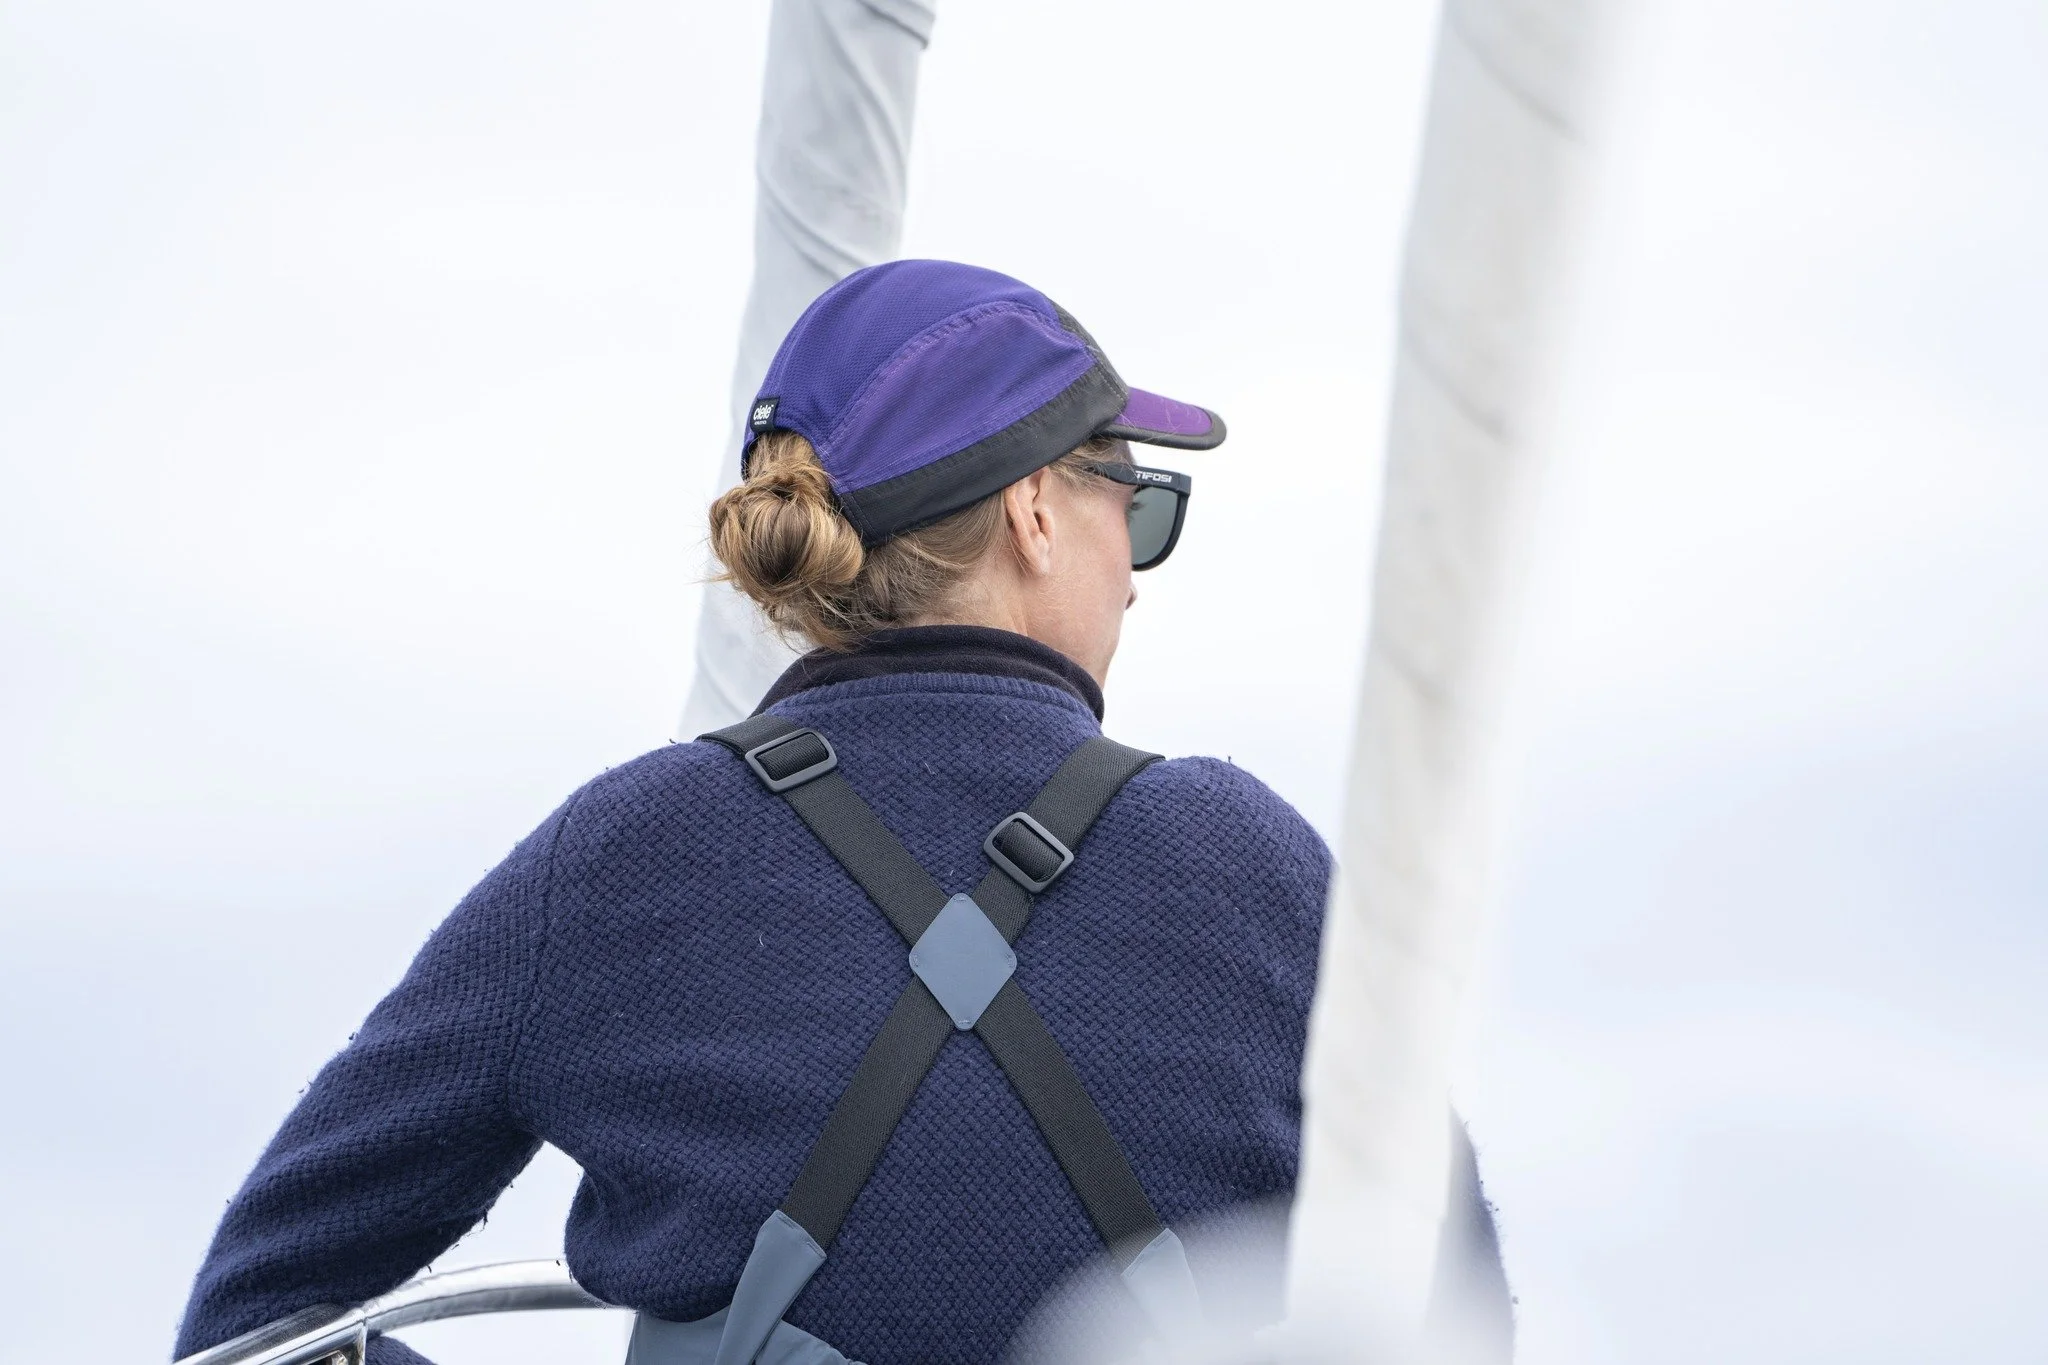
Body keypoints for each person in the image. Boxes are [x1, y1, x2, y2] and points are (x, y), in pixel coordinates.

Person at [173, 260, 1508, 1365]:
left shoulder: (623, 854)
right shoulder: (1252, 868)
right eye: (1140, 504)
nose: (1141, 577)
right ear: (1038, 511)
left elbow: (253, 1331)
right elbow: (1458, 1324)